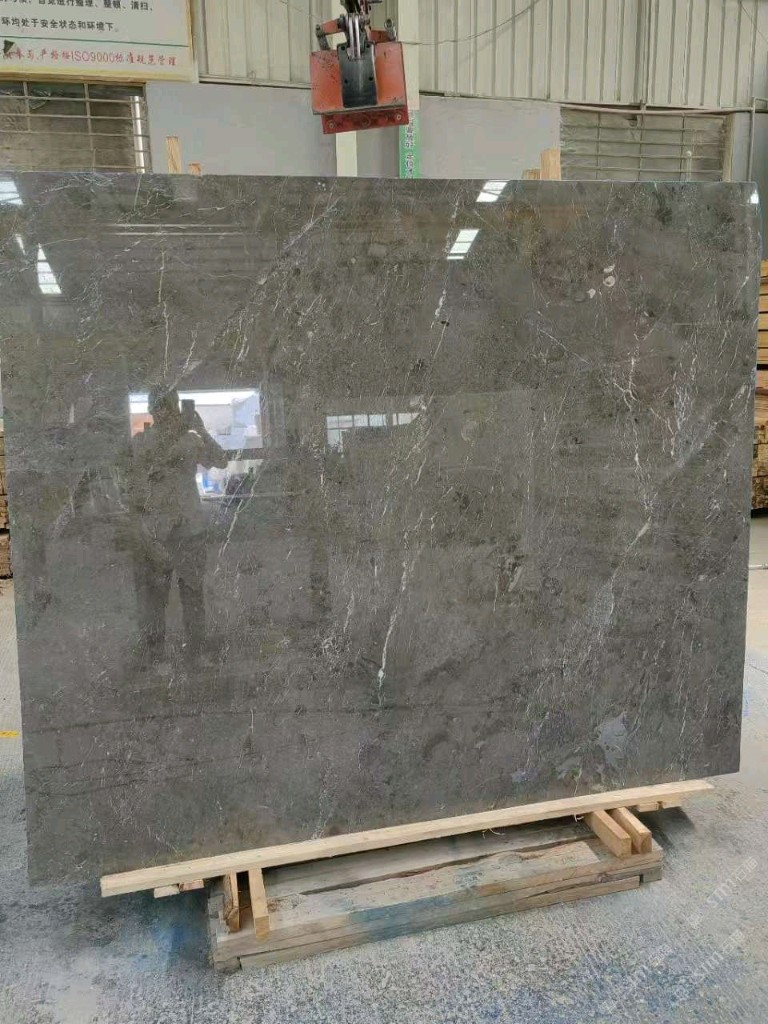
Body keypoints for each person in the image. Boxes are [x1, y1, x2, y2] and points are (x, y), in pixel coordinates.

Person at [126, 387, 228, 667]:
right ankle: (158, 657)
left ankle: (195, 653)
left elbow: (221, 460)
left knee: (191, 596)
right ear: (152, 410)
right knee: (156, 600)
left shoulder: (189, 440)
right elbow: (136, 481)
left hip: (187, 528)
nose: (165, 412)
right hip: (158, 531)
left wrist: (200, 429)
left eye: (169, 407)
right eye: (160, 406)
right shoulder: (143, 442)